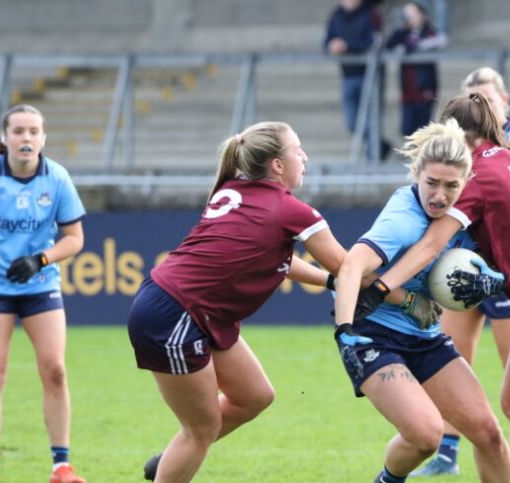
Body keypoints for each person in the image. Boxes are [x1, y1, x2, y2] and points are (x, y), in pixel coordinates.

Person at [132, 121, 428, 482]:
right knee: (202, 429)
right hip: (177, 313)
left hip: (188, 308)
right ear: (276, 165)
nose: (304, 157)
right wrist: (407, 299)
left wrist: (330, 281)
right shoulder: (292, 211)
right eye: (297, 149)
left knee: (254, 395)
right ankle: (188, 447)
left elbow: (283, 262)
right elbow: (351, 267)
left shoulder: (235, 188)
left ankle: (178, 453)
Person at [350, 91, 510, 483]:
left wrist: (382, 287)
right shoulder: (508, 156)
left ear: (456, 134)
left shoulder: (473, 179)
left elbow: (432, 243)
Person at [333, 119, 510, 483]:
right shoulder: (403, 219)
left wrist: (492, 282)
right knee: (426, 435)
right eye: (431, 183)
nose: (439, 195)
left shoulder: (466, 217)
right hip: (372, 333)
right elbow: (351, 265)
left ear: (466, 183)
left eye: (451, 186)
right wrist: (344, 330)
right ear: (416, 173)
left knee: (489, 434)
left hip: (424, 334)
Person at [0, 105, 87, 483]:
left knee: (56, 370)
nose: (26, 138)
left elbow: (75, 239)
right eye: (18, 131)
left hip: (39, 284)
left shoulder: (58, 178)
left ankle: (61, 466)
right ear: (4, 138)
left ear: (43, 138)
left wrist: (41, 259)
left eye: (33, 131)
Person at [324, 0, 391, 161]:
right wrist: (331, 46)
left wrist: (348, 46)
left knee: (372, 118)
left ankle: (373, 160)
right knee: (352, 121)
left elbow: (376, 42)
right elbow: (327, 40)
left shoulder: (371, 14)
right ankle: (381, 146)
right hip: (348, 74)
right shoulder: (336, 15)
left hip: (371, 74)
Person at [385, 2, 447, 137]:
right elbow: (389, 44)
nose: (410, 18)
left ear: (422, 15)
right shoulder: (402, 33)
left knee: (424, 126)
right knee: (407, 128)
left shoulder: (430, 32)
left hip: (425, 87)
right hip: (408, 88)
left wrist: (406, 47)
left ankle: (425, 156)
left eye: (413, 15)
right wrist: (401, 30)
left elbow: (425, 44)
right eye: (406, 15)